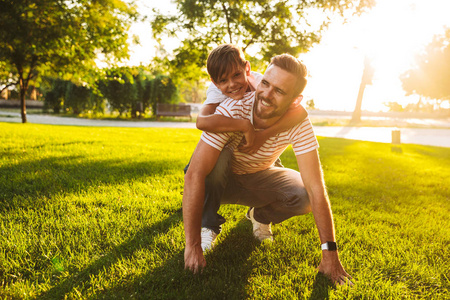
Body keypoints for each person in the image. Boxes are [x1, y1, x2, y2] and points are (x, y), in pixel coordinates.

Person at [182, 53, 352, 285]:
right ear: (259, 80)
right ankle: (207, 224)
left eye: (279, 91)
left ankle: (258, 217)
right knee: (213, 160)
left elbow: (315, 187)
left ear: (295, 100)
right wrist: (191, 246)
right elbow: (194, 174)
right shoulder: (232, 109)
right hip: (220, 184)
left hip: (258, 180)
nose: (266, 94)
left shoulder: (299, 123)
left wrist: (330, 253)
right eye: (265, 84)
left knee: (304, 195)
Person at [196, 44, 308, 153]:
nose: (232, 84)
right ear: (215, 82)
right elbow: (201, 121)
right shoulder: (216, 90)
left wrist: (264, 136)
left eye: (236, 75)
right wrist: (244, 125)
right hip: (221, 142)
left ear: (247, 68)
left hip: (255, 140)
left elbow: (301, 112)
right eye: (224, 80)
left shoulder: (261, 82)